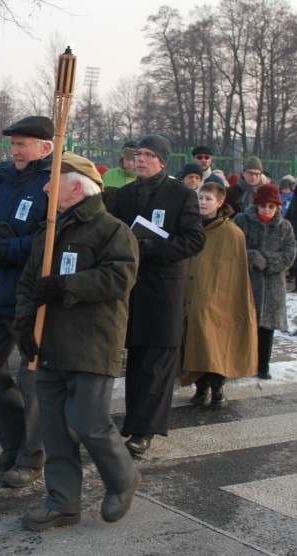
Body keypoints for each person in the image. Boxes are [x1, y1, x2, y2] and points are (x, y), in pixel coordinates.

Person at [15, 151, 140, 531]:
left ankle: (123, 478)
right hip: (49, 346)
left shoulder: (112, 230)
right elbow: (29, 285)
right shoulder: (49, 230)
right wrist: (24, 326)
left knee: (89, 422)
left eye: (55, 179)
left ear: (76, 186)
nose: (47, 187)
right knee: (54, 428)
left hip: (91, 343)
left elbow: (120, 278)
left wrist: (66, 285)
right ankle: (63, 502)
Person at [0, 115, 53, 488]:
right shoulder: (1, 180)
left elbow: (46, 240)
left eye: (22, 144)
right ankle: (14, 441)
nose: (14, 151)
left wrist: (1, 249)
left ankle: (32, 457)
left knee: (31, 378)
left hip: (29, 296)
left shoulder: (53, 182)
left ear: (45, 148)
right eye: (13, 144)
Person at [106, 134, 206, 458]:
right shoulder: (124, 195)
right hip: (132, 287)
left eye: (149, 155)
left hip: (163, 287)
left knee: (158, 359)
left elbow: (194, 241)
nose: (141, 159)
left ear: (163, 161)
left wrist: (155, 247)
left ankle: (145, 429)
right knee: (136, 357)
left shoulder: (181, 195)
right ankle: (134, 420)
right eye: (138, 154)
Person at [181, 182, 257, 407]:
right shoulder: (189, 226)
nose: (203, 203)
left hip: (219, 298)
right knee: (193, 343)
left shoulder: (231, 233)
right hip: (192, 295)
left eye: (208, 199)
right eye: (200, 198)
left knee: (215, 344)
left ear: (220, 202)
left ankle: (217, 387)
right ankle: (200, 386)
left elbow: (235, 270)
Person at [234, 184, 296, 380]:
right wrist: (252, 257)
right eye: (263, 206)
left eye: (271, 206)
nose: (267, 209)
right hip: (246, 281)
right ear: (256, 204)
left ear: (277, 207)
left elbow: (289, 254)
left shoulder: (284, 226)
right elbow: (233, 248)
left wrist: (268, 261)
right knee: (244, 325)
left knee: (266, 328)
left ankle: (263, 365)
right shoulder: (241, 220)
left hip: (272, 285)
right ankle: (241, 364)